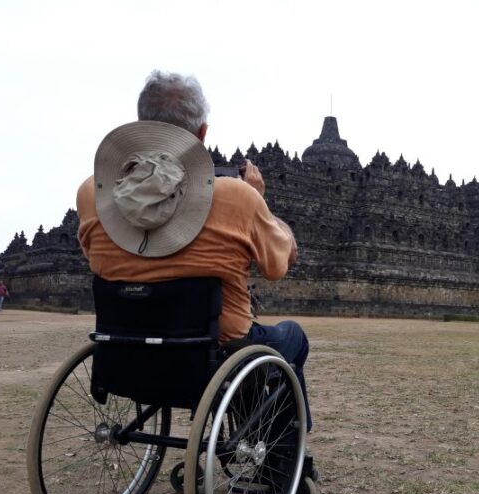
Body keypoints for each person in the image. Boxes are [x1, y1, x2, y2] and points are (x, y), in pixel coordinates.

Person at [76, 70, 313, 430]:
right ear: (202, 132)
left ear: (142, 125)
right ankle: (279, 461)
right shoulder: (236, 197)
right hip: (216, 351)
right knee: (292, 336)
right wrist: (261, 202)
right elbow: (280, 265)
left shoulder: (94, 193)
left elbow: (93, 258)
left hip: (125, 349)